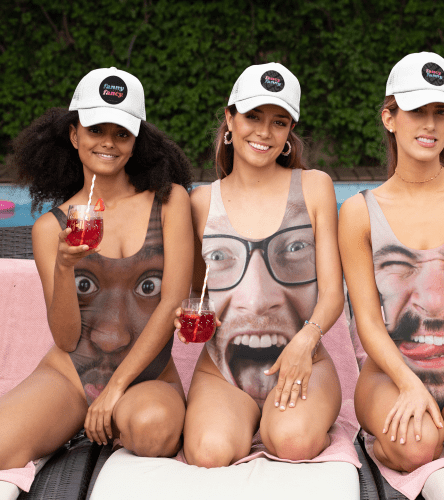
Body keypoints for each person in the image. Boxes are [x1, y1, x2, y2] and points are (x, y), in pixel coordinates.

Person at [0, 67, 193, 471]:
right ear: (74, 135)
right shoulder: (51, 227)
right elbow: (67, 337)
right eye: (96, 130)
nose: (108, 143)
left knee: (153, 430)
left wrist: (115, 389)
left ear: (136, 139)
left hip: (147, 378)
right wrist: (64, 269)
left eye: (121, 133)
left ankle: (109, 420)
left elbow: (172, 301)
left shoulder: (169, 201)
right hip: (70, 375)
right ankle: (72, 421)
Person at [175, 62, 344, 467]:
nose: (265, 132)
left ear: (289, 134)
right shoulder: (200, 203)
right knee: (208, 453)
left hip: (304, 361)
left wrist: (306, 341)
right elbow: (192, 295)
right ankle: (244, 417)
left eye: (279, 121)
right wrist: (184, 317)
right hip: (223, 370)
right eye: (253, 116)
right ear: (229, 121)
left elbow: (335, 294)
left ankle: (280, 420)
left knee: (293, 442)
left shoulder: (314, 186)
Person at [339, 52, 444, 473]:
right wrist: (410, 385)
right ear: (389, 117)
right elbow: (368, 323)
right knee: (416, 448)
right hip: (393, 375)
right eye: (416, 111)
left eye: (441, 112)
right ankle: (396, 440)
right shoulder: (360, 211)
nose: (429, 124)